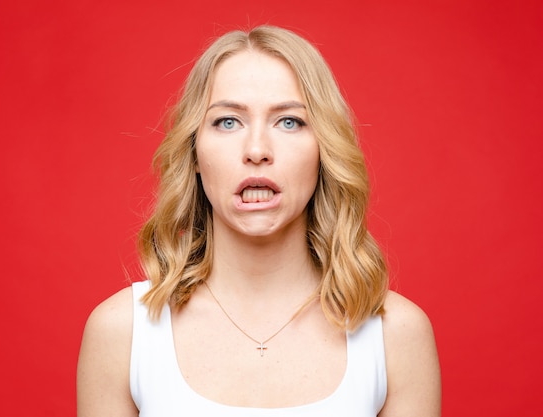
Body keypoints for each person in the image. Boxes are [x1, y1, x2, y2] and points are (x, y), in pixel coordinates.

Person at [76, 25, 441, 416]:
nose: (256, 150)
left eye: (289, 122)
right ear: (194, 154)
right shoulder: (122, 334)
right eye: (228, 121)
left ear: (324, 151)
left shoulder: (396, 336)